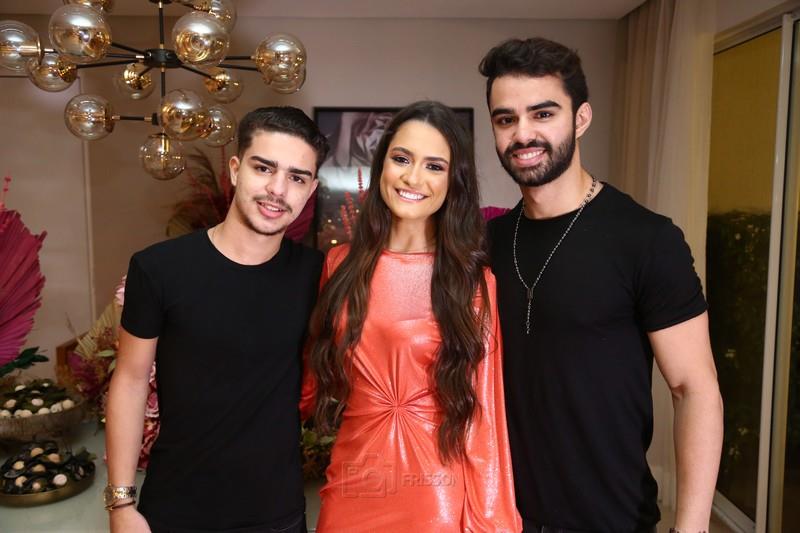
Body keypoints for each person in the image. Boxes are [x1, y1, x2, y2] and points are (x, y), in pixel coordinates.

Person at [479, 38, 724, 533]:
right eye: (506, 119)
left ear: (581, 118)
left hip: (612, 518)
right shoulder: (489, 241)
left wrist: (692, 527)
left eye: (543, 113)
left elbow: (694, 389)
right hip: (501, 517)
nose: (523, 133)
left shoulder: (646, 238)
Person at [105, 106, 329, 533]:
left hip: (276, 515)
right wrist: (120, 503)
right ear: (235, 169)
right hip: (174, 511)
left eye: (297, 178)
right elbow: (130, 381)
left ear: (311, 189)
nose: (278, 189)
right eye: (264, 168)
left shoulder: (317, 275)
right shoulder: (158, 269)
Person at [302, 101, 521, 532]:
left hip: (432, 495)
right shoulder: (339, 265)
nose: (413, 178)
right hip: (350, 483)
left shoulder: (471, 283)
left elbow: (483, 418)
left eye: (434, 166)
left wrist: (490, 523)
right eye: (402, 159)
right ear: (382, 164)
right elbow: (307, 386)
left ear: (452, 182)